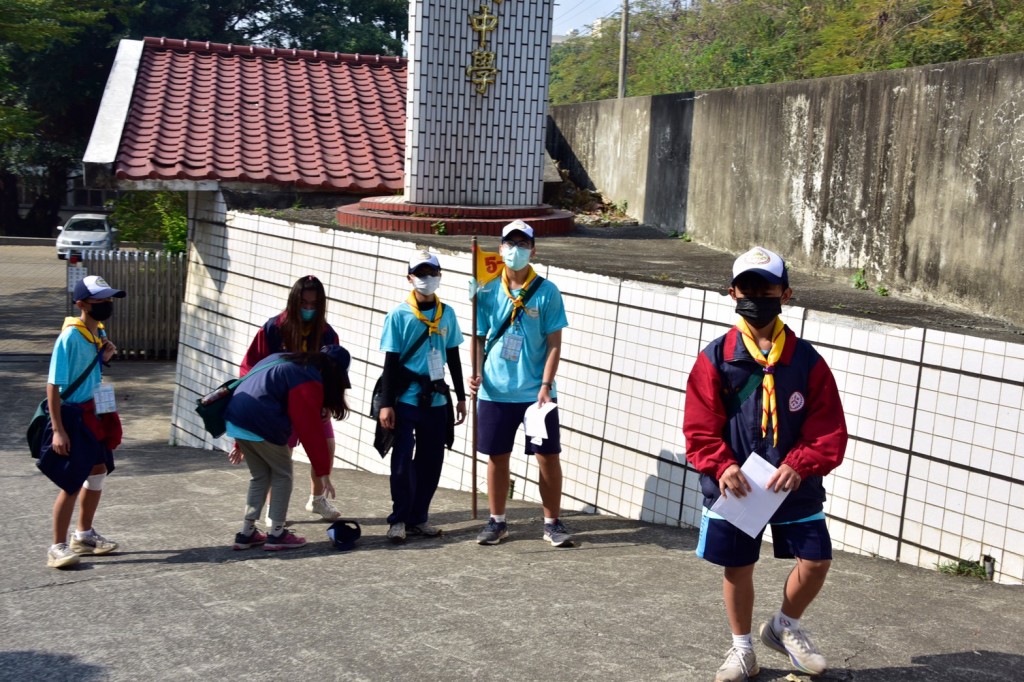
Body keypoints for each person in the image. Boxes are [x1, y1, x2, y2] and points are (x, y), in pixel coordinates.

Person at [683, 246, 848, 681]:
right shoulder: (716, 358)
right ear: (732, 293)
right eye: (748, 288)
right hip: (737, 484)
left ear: (786, 294)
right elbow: (699, 427)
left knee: (815, 560)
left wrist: (801, 463)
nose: (757, 296)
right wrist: (721, 466)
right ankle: (742, 649)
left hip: (793, 483)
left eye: (767, 287)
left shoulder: (808, 361)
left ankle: (784, 625)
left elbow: (828, 427)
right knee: (738, 565)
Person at [469, 220, 572, 547]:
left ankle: (552, 522)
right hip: (495, 391)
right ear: (500, 249)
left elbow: (554, 343)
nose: (516, 251)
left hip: (536, 394)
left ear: (533, 250)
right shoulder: (485, 289)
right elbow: (478, 336)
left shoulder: (547, 291)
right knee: (497, 456)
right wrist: (476, 372)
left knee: (547, 457)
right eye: (510, 244)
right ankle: (497, 521)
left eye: (523, 244)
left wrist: (546, 383)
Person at [377, 250, 467, 543]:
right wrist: (386, 404)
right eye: (420, 274)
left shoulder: (447, 314)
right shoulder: (399, 315)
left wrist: (461, 396)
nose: (426, 279)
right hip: (405, 399)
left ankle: (419, 517)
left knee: (431, 459)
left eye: (431, 273)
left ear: (440, 276)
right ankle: (399, 519)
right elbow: (390, 362)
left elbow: (452, 355)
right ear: (409, 278)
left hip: (436, 398)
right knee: (402, 460)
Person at [225, 345, 351, 551]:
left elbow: (251, 390)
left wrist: (238, 442)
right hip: (262, 423)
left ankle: (246, 533)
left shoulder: (280, 358)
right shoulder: (307, 377)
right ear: (333, 371)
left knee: (260, 476)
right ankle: (276, 533)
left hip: (236, 420)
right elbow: (309, 428)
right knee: (283, 474)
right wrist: (323, 472)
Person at [241, 275, 342, 521]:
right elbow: (251, 367)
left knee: (326, 448)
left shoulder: (326, 333)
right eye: (303, 304)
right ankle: (273, 512)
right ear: (294, 301)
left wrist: (328, 402)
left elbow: (333, 372)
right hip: (278, 405)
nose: (308, 309)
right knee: (280, 458)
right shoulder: (274, 328)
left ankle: (317, 500)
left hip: (313, 404)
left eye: (313, 305)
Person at [41, 275, 125, 569]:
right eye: (99, 301)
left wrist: (103, 357)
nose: (106, 304)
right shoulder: (70, 337)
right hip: (74, 416)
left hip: (95, 412)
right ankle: (57, 547)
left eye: (108, 299)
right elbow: (53, 386)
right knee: (72, 481)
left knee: (98, 470)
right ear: (81, 304)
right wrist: (59, 431)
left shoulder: (97, 331)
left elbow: (89, 373)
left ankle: (84, 535)